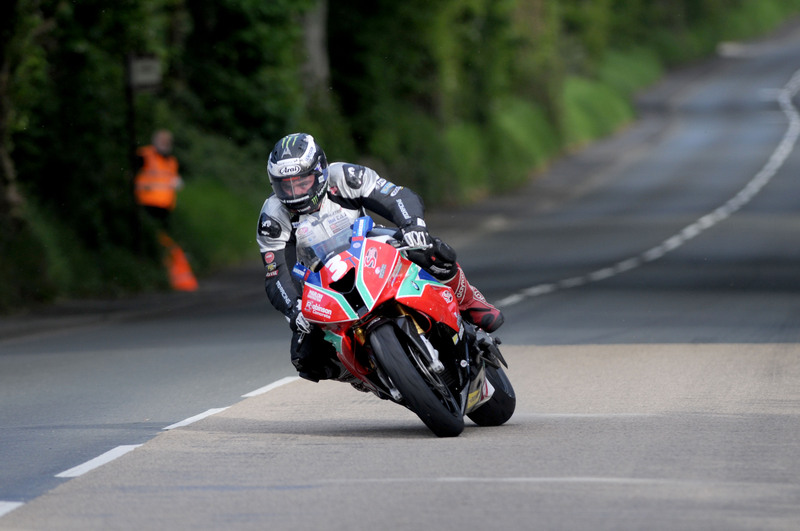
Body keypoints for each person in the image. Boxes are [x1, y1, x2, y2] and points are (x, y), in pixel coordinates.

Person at [256, 132, 503, 382]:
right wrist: (294, 307)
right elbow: (276, 273)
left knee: (432, 250)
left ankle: (469, 302)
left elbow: (397, 196)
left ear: (319, 172)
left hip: (367, 246)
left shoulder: (344, 176)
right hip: (320, 279)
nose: (294, 192)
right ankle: (362, 374)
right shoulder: (273, 217)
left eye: (301, 182)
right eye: (285, 185)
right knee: (305, 357)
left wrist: (412, 225)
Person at [134, 129, 197, 291]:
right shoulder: (144, 156)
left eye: (168, 141)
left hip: (165, 209)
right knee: (153, 240)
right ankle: (149, 270)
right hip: (146, 207)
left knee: (165, 240)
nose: (165, 144)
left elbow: (169, 180)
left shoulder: (171, 161)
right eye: (162, 141)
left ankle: (164, 272)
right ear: (154, 141)